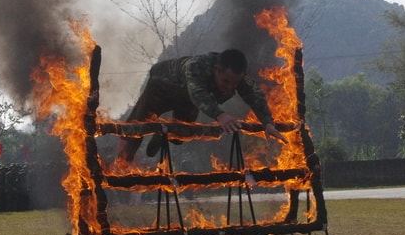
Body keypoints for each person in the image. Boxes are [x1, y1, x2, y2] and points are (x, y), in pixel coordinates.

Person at [118, 49, 287, 163]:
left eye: (234, 83)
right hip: (162, 87)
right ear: (216, 70)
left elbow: (255, 95)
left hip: (187, 99)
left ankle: (163, 134)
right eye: (225, 81)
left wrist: (268, 123)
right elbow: (198, 94)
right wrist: (220, 115)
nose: (229, 86)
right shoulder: (196, 66)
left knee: (181, 134)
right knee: (136, 128)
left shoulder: (239, 77)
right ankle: (122, 164)